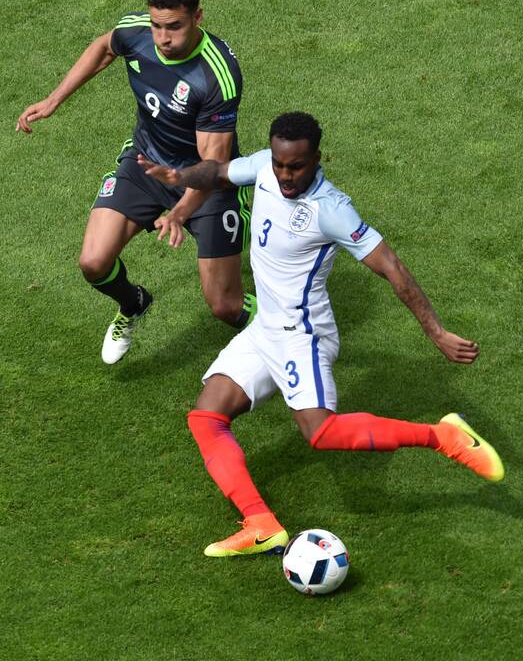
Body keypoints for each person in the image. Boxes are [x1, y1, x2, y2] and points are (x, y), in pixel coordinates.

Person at [138, 111, 504, 558]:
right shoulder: (263, 168)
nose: (286, 175)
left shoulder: (331, 210)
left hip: (302, 334)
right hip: (264, 330)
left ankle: (443, 436)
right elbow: (216, 172)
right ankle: (261, 524)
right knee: (207, 418)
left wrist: (437, 332)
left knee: (321, 432)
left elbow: (392, 269)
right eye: (279, 164)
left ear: (316, 159)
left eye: (297, 166)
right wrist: (178, 175)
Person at [16, 0, 254, 365]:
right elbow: (104, 48)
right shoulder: (137, 31)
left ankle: (287, 328)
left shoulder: (216, 75)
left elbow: (213, 166)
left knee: (225, 306)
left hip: (208, 185)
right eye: (157, 25)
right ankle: (134, 303)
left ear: (198, 17)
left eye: (174, 27)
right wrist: (54, 99)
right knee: (94, 263)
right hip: (145, 162)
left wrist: (178, 212)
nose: (163, 38)